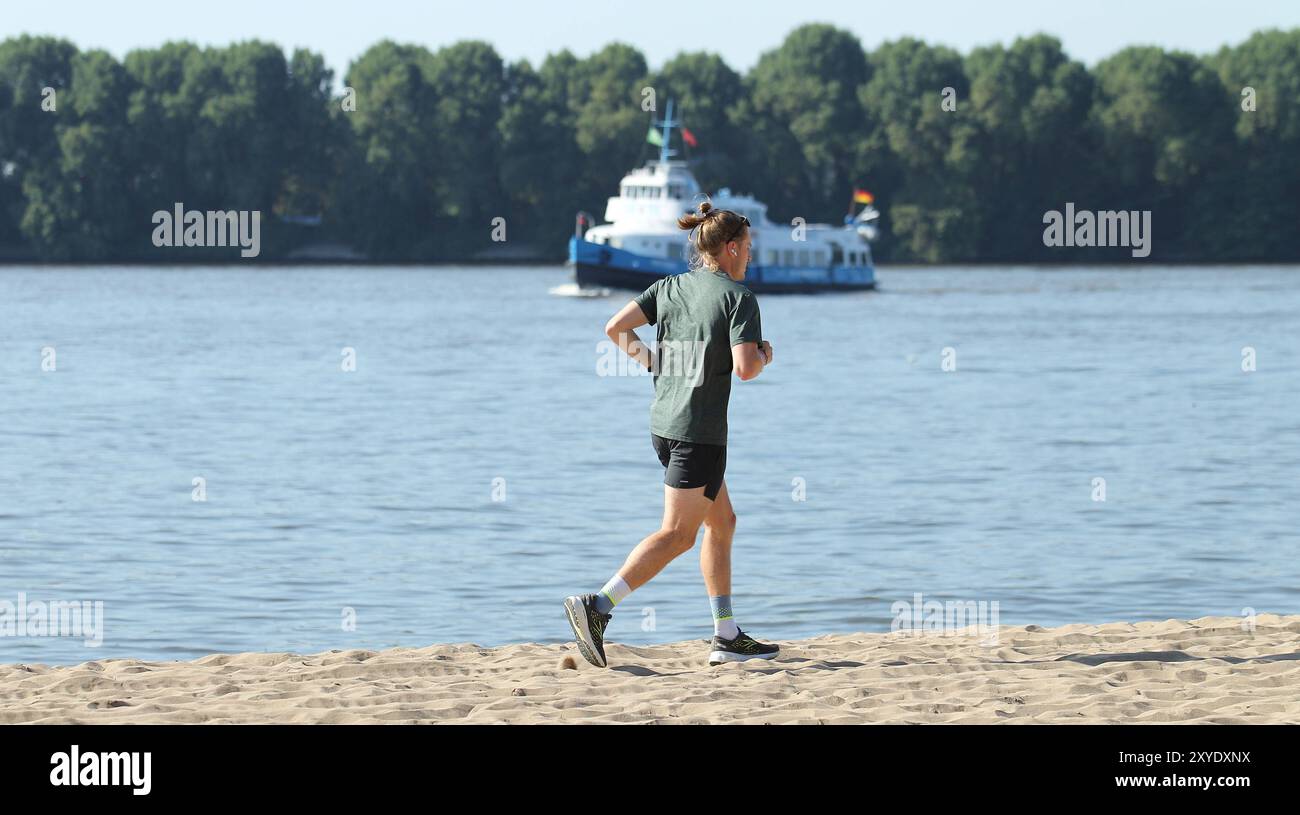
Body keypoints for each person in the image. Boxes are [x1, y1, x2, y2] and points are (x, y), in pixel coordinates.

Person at [564, 200, 778, 667]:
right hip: (698, 434)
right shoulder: (738, 298)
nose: (749, 257)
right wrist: (765, 353)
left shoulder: (670, 286)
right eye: (746, 248)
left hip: (664, 425)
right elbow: (745, 370)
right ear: (729, 248)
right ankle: (597, 607)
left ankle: (726, 634)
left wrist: (655, 364)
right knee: (679, 534)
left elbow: (615, 328)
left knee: (722, 523)